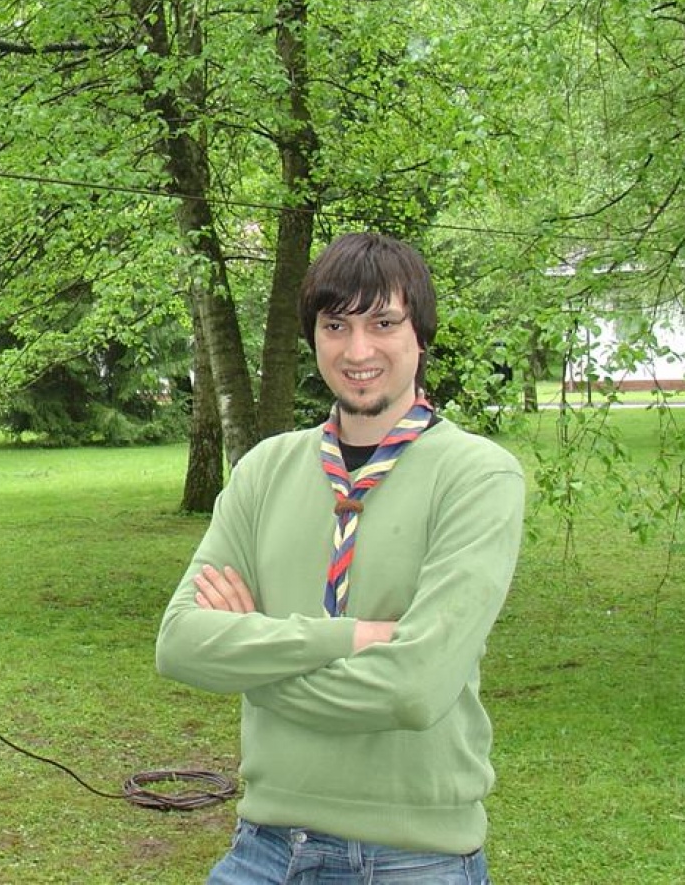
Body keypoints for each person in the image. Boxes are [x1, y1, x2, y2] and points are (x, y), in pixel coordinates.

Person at [156, 233, 524, 884]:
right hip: (266, 847)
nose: (359, 351)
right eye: (336, 325)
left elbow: (414, 689)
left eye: (384, 323)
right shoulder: (265, 469)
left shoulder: (477, 476)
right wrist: (350, 638)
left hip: (415, 855)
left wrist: (249, 658)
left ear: (420, 334)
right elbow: (181, 645)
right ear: (314, 336)